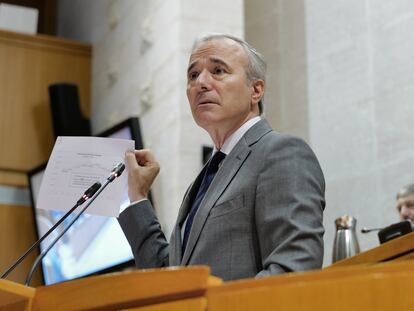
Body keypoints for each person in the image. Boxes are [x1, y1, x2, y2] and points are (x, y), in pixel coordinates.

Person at [119, 34, 325, 281]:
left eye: (218, 71)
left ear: (256, 90)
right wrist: (138, 197)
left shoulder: (281, 153)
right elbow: (169, 279)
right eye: (193, 75)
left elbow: (293, 271)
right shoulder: (206, 176)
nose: (201, 83)